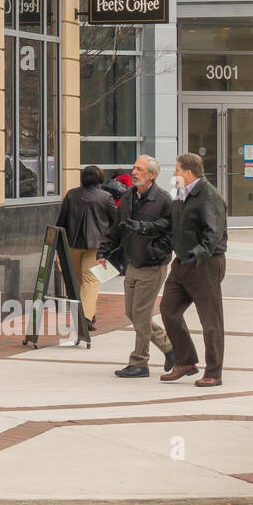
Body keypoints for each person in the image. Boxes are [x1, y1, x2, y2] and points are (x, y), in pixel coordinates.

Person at [98, 155, 175, 379]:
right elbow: (117, 230)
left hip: (152, 264)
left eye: (139, 169)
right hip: (131, 263)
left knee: (141, 315)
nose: (134, 172)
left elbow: (171, 233)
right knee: (131, 313)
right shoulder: (128, 197)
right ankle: (171, 348)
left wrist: (155, 251)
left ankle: (140, 362)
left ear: (152, 175)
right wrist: (104, 251)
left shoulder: (163, 200)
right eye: (134, 168)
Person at [160, 152, 229, 387]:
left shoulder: (209, 196)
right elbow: (174, 227)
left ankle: (214, 372)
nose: (174, 174)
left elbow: (214, 233)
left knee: (210, 321)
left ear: (188, 173)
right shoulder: (181, 194)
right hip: (182, 263)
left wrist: (196, 256)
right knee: (168, 310)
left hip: (205, 264)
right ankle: (186, 361)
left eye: (177, 170)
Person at [55, 165, 119, 330]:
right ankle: (85, 317)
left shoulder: (71, 194)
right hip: (96, 246)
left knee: (78, 281)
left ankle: (88, 313)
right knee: (91, 281)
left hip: (72, 244)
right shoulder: (106, 197)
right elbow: (116, 221)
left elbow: (61, 221)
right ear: (100, 178)